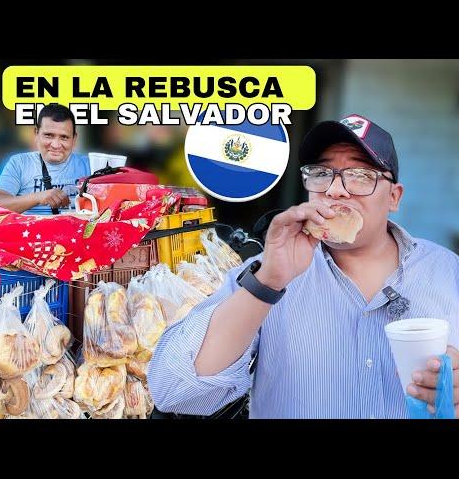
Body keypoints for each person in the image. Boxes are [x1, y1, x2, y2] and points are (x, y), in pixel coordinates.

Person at [147, 114, 459, 419]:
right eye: (322, 173)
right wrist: (268, 282)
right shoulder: (265, 271)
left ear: (394, 196)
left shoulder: (447, 272)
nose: (336, 190)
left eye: (361, 175)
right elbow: (175, 391)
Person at [0, 103, 90, 215]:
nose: (56, 145)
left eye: (64, 137)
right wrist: (38, 197)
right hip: (29, 231)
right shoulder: (19, 163)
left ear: (74, 139)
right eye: (49, 135)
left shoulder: (91, 165)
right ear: (36, 134)